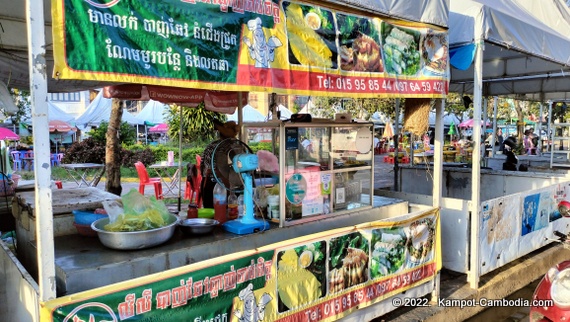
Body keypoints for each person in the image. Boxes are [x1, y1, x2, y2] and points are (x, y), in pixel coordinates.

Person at [200, 120, 240, 208]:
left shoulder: (211, 145)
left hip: (207, 183)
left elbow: (202, 166)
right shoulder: (229, 146)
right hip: (219, 186)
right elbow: (219, 169)